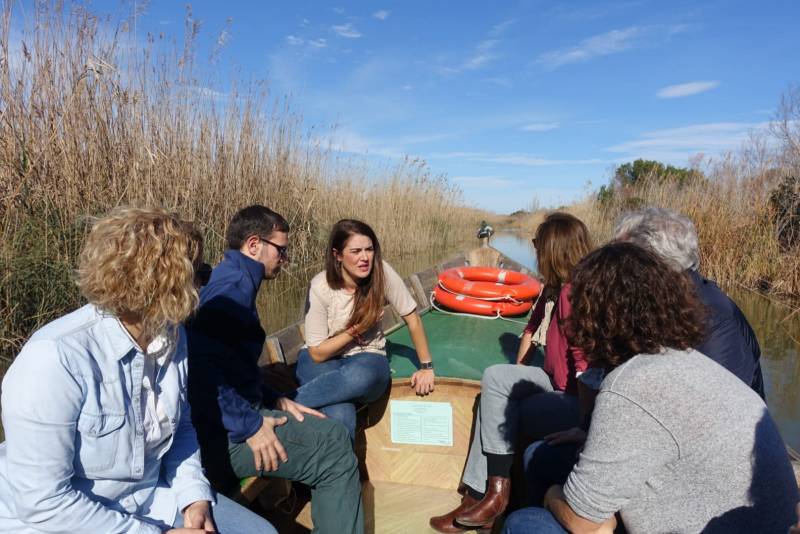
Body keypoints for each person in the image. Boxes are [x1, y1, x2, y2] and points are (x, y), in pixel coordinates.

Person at [0, 207, 275, 533]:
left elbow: (182, 427)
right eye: (200, 272)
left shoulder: (173, 335)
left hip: (145, 497)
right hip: (62, 522)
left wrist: (194, 498)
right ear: (165, 283)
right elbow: (43, 503)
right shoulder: (55, 359)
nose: (205, 282)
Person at [503, 242, 799, 534]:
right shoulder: (681, 356)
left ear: (592, 318)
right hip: (740, 516)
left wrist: (552, 496)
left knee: (524, 523)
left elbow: (589, 525)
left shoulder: (631, 384)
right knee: (540, 457)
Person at [523, 207, 767, 506]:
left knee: (535, 485)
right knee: (539, 457)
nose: (615, 270)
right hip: (651, 445)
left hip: (691, 479)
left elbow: (706, 429)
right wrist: (589, 428)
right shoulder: (664, 306)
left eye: (624, 258)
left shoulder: (711, 321)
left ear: (650, 264)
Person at [186, 206, 363, 534]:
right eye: (281, 250)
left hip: (227, 417)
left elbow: (230, 365)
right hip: (216, 438)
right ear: (254, 245)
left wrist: (272, 397)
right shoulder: (231, 290)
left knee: (336, 417)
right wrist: (250, 425)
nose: (285, 258)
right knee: (334, 448)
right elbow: (197, 370)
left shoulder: (233, 278)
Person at [430, 212, 593, 533]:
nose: (534, 250)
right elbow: (531, 330)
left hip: (575, 401)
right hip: (553, 383)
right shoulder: (555, 288)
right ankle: (486, 494)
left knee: (499, 406)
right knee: (496, 379)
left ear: (555, 249)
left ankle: (489, 497)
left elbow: (586, 370)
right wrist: (517, 374)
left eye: (537, 244)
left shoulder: (577, 295)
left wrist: (587, 426)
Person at [293, 219, 436, 439]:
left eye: (369, 249)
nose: (365, 257)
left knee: (360, 376)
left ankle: (284, 403)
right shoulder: (320, 286)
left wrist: (426, 367)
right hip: (323, 358)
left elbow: (413, 318)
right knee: (340, 413)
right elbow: (317, 353)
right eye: (356, 251)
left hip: (366, 358)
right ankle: (344, 471)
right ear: (337, 255)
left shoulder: (382, 273)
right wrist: (358, 329)